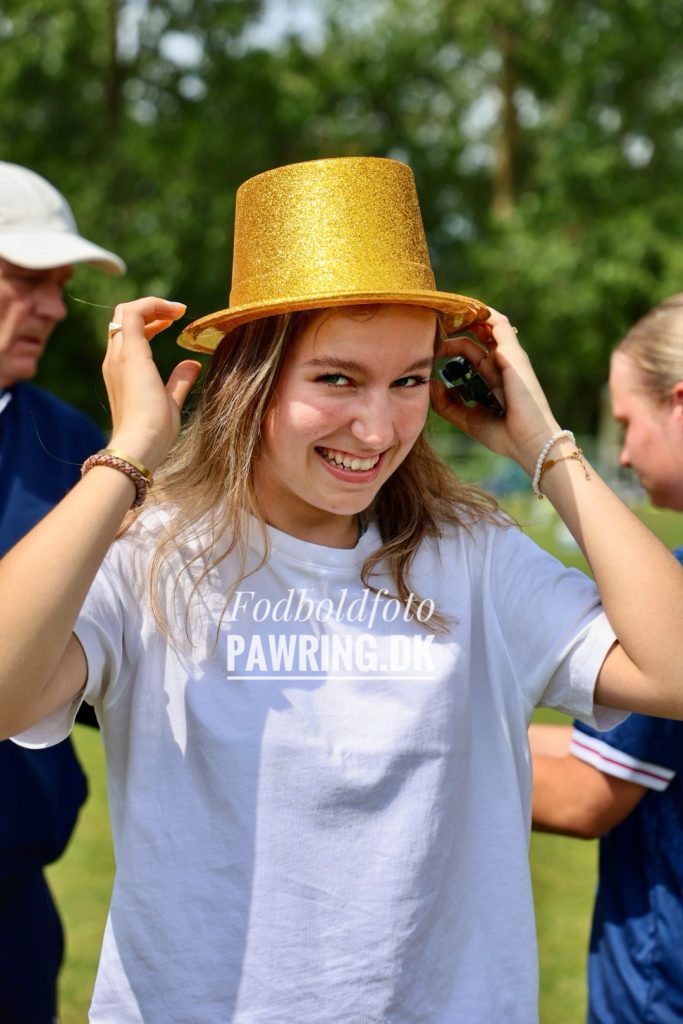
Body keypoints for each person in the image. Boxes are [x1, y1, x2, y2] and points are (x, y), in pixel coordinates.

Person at [2, 155, 683, 1024]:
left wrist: (543, 447)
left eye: (408, 380)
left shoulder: (473, 555)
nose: (377, 427)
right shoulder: (153, 556)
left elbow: (669, 672)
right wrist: (131, 452)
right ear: (248, 379)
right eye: (336, 379)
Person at [530, 293, 683, 1024]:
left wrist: (393, 750)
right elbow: (627, 751)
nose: (621, 453)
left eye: (626, 423)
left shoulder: (674, 600)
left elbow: (586, 794)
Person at [0, 160, 125, 1023]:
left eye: (60, 284)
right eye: (25, 277)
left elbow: (116, 661)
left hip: (10, 909)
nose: (51, 306)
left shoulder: (78, 450)